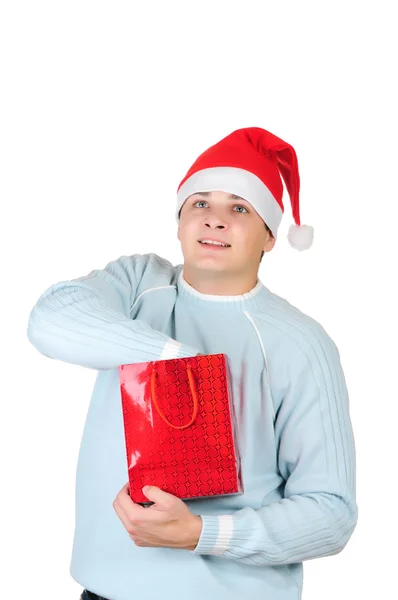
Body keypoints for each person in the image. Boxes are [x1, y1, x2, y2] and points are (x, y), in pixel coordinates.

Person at [27, 127, 358, 600]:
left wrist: (200, 532)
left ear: (269, 237)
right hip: (101, 594)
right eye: (200, 203)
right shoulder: (138, 284)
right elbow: (49, 322)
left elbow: (331, 514)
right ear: (179, 221)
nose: (215, 220)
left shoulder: (301, 345)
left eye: (239, 208)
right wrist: (175, 359)